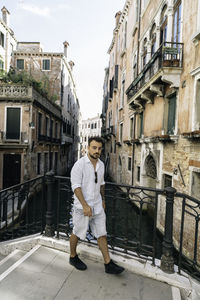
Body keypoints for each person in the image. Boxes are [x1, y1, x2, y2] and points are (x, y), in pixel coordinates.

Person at [70, 136, 124, 274]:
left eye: (99, 148)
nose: (97, 151)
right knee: (77, 232)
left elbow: (102, 184)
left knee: (101, 233)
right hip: (82, 207)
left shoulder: (101, 165)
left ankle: (108, 264)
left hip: (98, 205)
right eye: (94, 148)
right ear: (88, 147)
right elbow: (76, 187)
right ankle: (73, 256)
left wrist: (104, 200)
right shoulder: (79, 165)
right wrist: (85, 205)